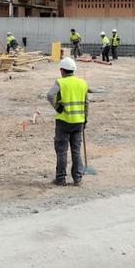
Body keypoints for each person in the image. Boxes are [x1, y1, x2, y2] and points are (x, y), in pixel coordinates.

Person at [46, 57, 88, 186]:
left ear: (62, 70)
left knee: (62, 150)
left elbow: (49, 95)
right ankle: (77, 178)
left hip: (64, 121)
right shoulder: (83, 83)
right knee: (76, 150)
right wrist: (85, 119)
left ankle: (60, 178)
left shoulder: (61, 82)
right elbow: (86, 103)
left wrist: (58, 107)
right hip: (78, 122)